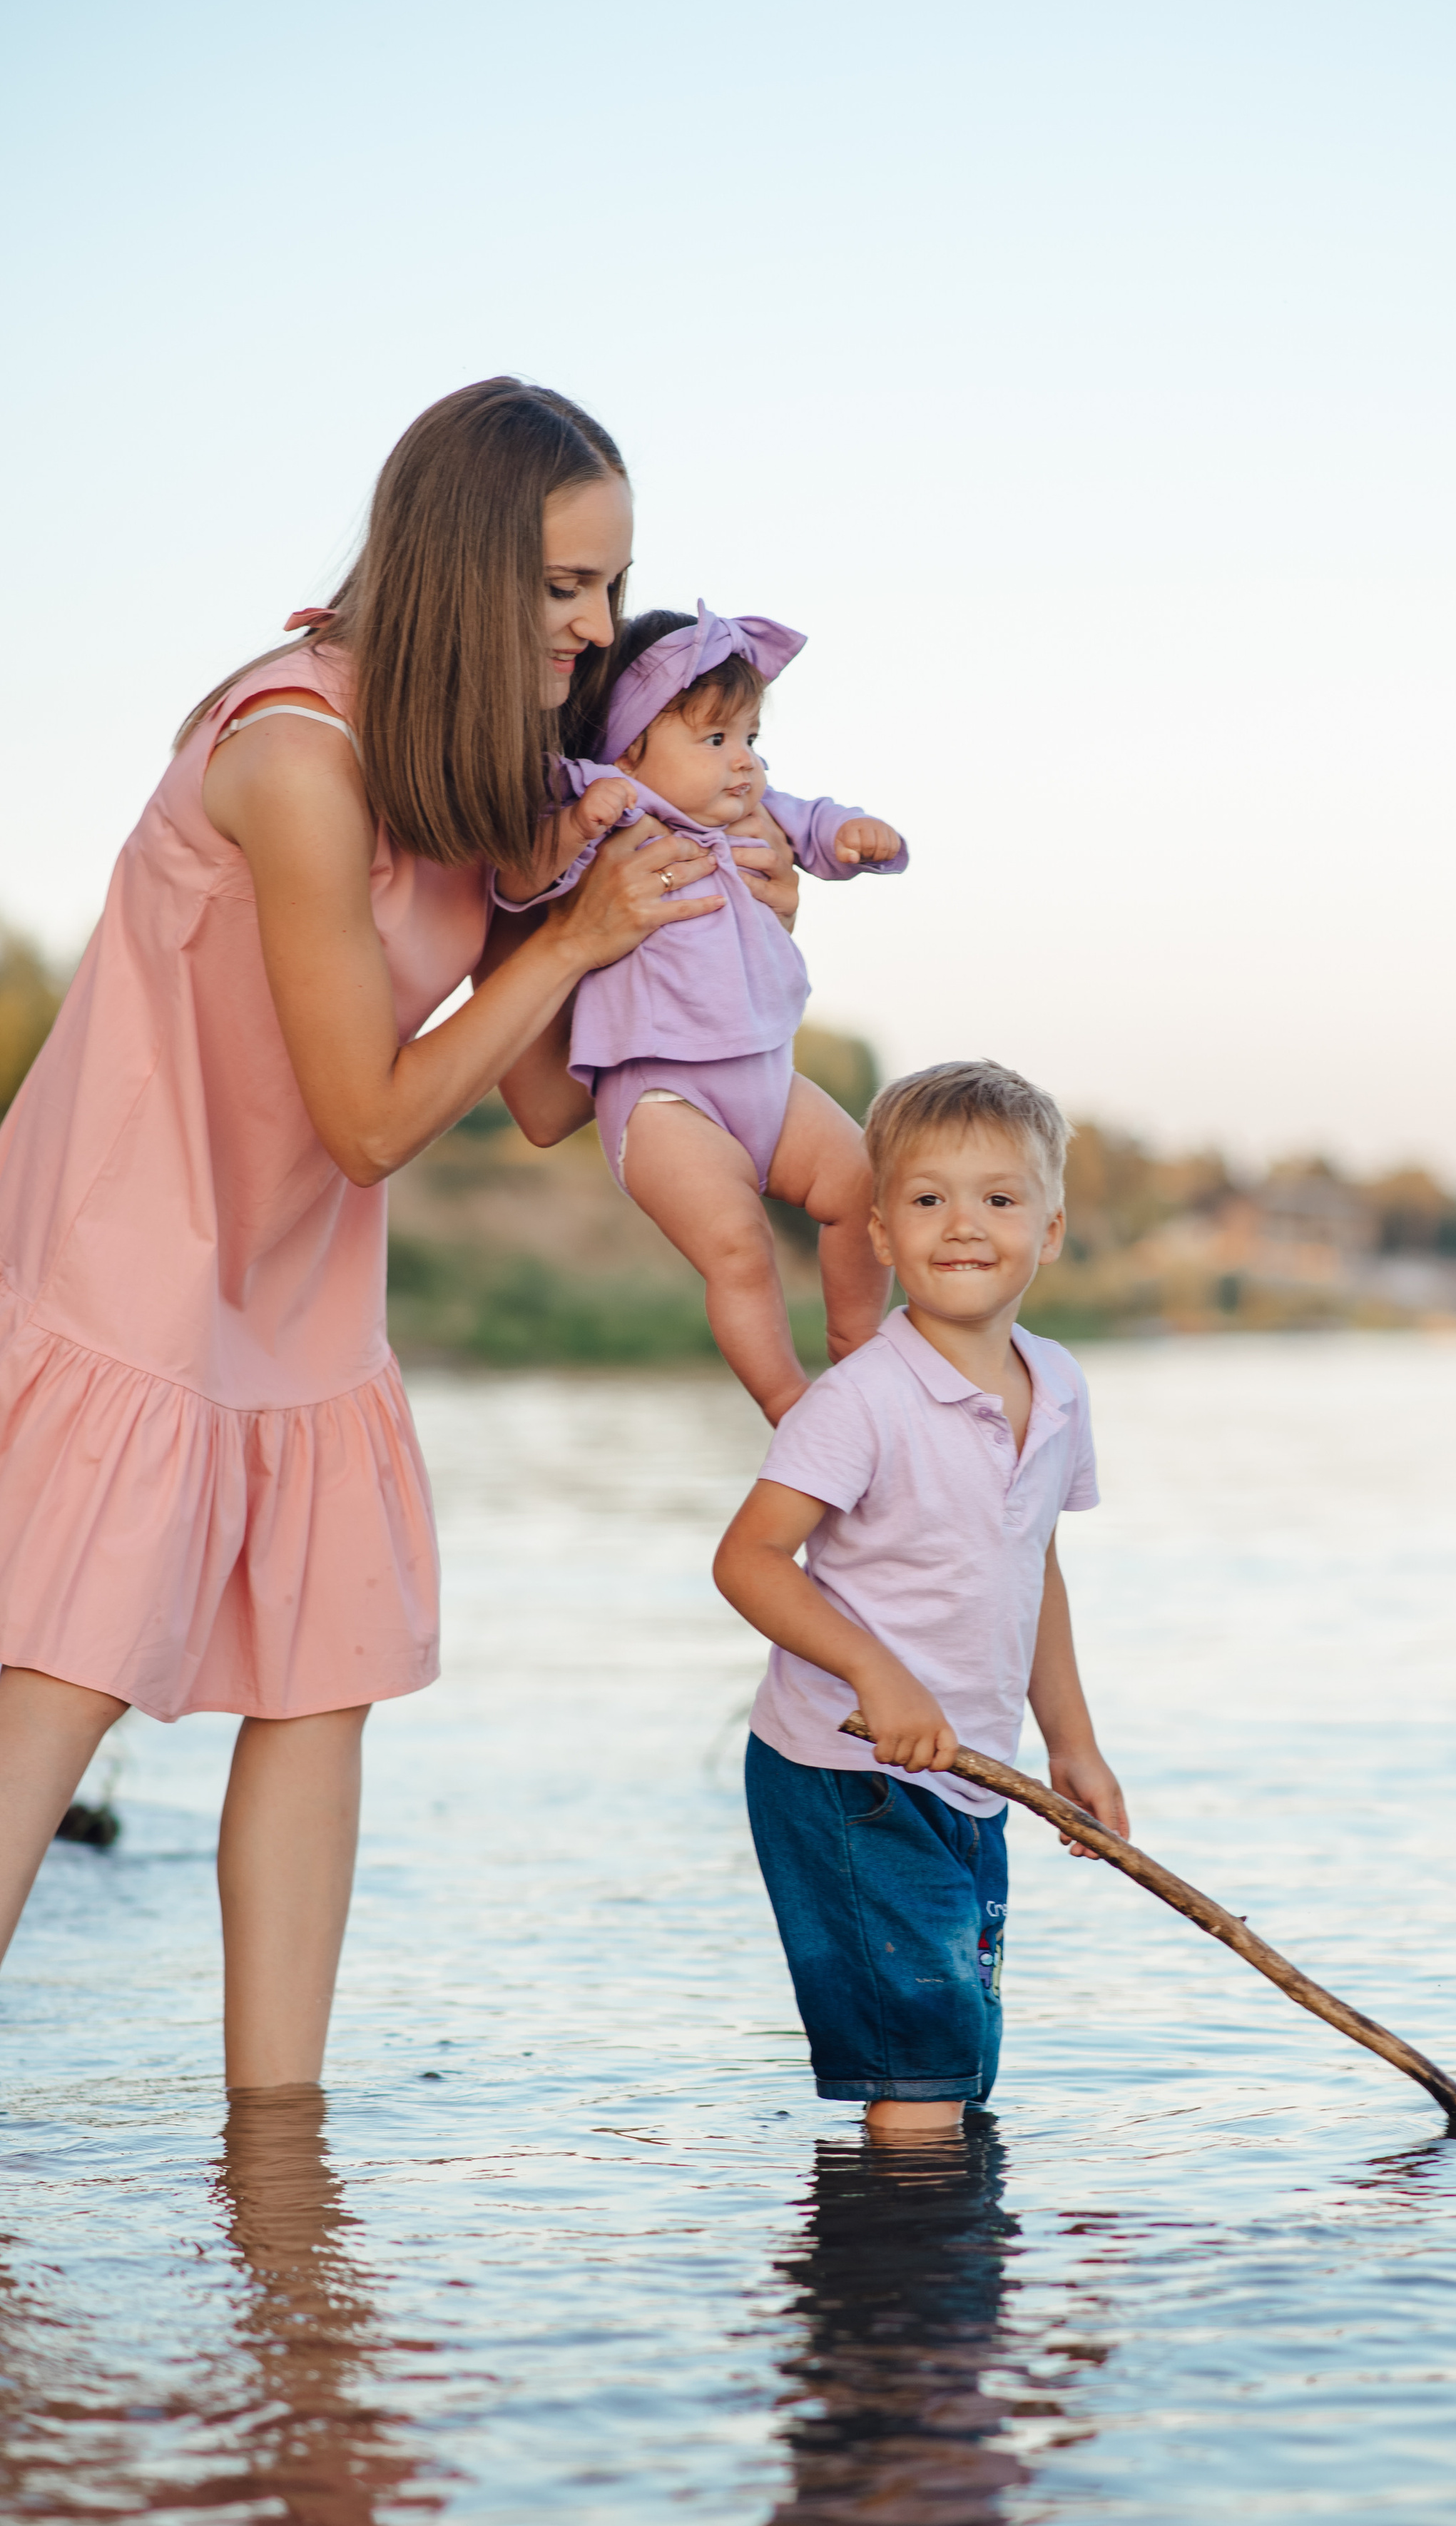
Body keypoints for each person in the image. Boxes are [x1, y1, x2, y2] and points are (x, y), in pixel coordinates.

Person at [0, 376, 755, 2091]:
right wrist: (561, 945)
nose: (588, 631)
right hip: (129, 1247)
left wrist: (624, 899)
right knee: (59, 1683)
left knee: (318, 1687)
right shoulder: (296, 752)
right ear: (454, 566)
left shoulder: (471, 765)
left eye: (605, 589)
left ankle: (282, 2158)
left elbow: (552, 1101)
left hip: (300, 1275)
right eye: (558, 587)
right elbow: (368, 1114)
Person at [713, 1059, 1130, 2138]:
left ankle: (945, 2288)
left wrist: (1071, 1742)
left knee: (958, 2049)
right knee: (923, 2066)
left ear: (1050, 1231)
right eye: (928, 1198)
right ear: (884, 1234)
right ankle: (908, 2295)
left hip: (972, 1774)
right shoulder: (864, 1402)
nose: (963, 1224)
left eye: (999, 1198)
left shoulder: (1061, 1386)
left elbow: (1030, 1565)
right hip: (848, 1774)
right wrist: (874, 1669)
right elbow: (749, 1559)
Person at [502, 601, 907, 1424]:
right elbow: (521, 878)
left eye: (751, 741)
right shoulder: (603, 804)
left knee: (866, 1181)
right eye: (715, 740)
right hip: (661, 1096)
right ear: (627, 745)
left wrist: (855, 836)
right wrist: (579, 822)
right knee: (738, 1245)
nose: (744, 765)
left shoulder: (754, 812)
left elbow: (815, 825)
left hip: (767, 1072)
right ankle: (789, 1404)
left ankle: (859, 1344)